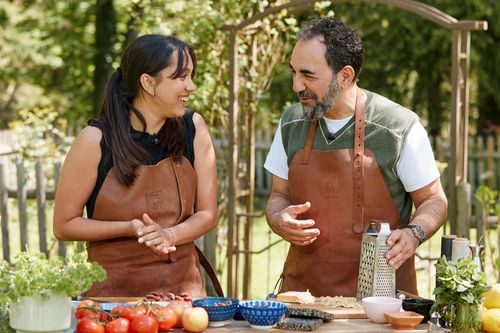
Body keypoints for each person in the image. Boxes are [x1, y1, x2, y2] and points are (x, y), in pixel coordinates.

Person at [264, 17, 448, 297]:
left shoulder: (398, 126)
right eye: (293, 73)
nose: (296, 85)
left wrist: (414, 234)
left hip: (383, 305)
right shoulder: (290, 123)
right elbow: (279, 195)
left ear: (345, 75)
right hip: (303, 303)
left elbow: (434, 200)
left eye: (308, 75)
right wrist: (277, 217)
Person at [53, 34, 218, 297]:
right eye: (181, 77)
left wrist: (170, 235)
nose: (191, 86)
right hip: (112, 306)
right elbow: (64, 225)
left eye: (191, 76)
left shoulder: (193, 127)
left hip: (184, 301)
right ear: (148, 83)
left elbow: (208, 213)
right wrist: (129, 227)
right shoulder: (94, 141)